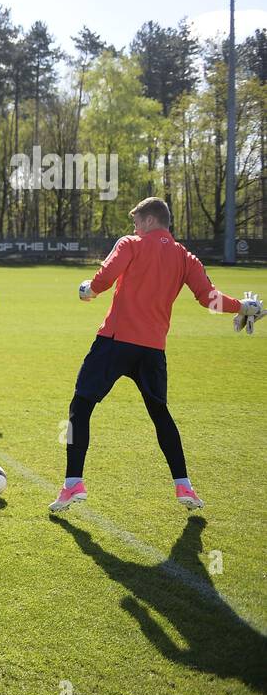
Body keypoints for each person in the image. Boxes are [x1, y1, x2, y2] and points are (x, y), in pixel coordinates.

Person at [50, 197, 263, 513]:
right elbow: (209, 299)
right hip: (152, 350)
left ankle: (73, 484)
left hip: (114, 341)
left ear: (149, 221)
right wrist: (243, 306)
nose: (134, 228)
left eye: (137, 221)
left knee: (80, 407)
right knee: (160, 414)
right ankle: (184, 486)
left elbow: (105, 279)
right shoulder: (184, 257)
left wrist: (88, 291)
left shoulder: (131, 244)